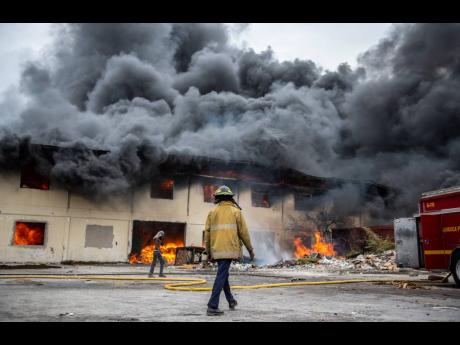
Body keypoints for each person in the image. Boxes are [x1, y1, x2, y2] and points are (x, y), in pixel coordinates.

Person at [204, 185, 255, 316]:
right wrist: (250, 250)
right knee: (222, 275)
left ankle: (231, 300)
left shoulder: (212, 212)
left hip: (216, 249)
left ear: (218, 198)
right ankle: (212, 305)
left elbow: (207, 234)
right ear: (230, 198)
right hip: (229, 249)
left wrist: (208, 251)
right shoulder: (236, 212)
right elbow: (244, 233)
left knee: (223, 274)